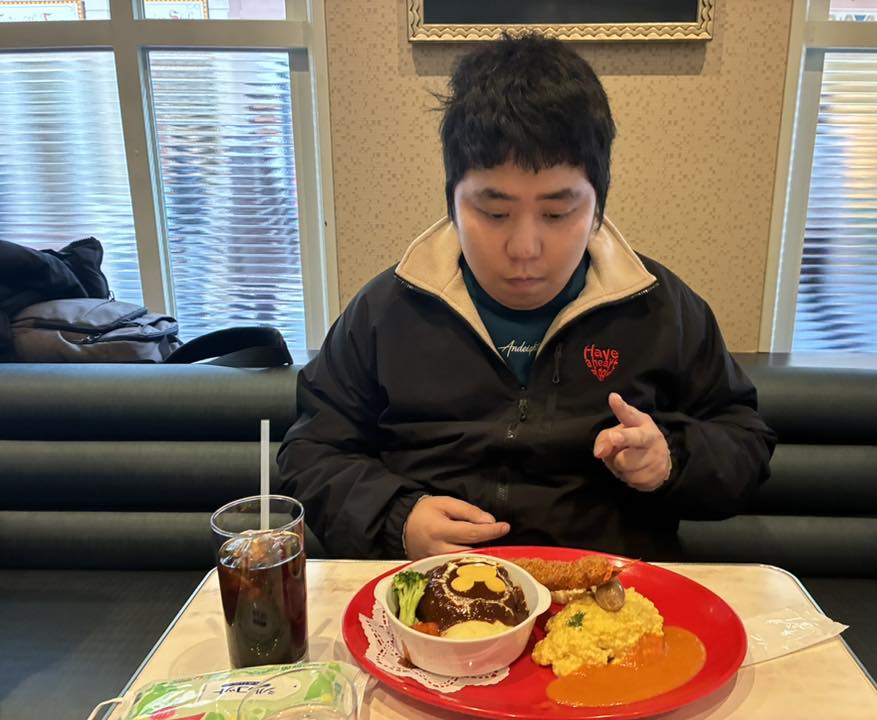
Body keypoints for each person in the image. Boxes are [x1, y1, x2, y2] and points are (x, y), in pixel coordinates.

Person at [278, 33, 775, 561]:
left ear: (598, 207)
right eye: (494, 212)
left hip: (612, 591)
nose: (524, 248)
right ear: (452, 202)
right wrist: (397, 518)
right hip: (435, 592)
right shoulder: (387, 310)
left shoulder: (658, 307)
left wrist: (671, 458)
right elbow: (310, 451)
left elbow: (745, 440)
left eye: (557, 213)